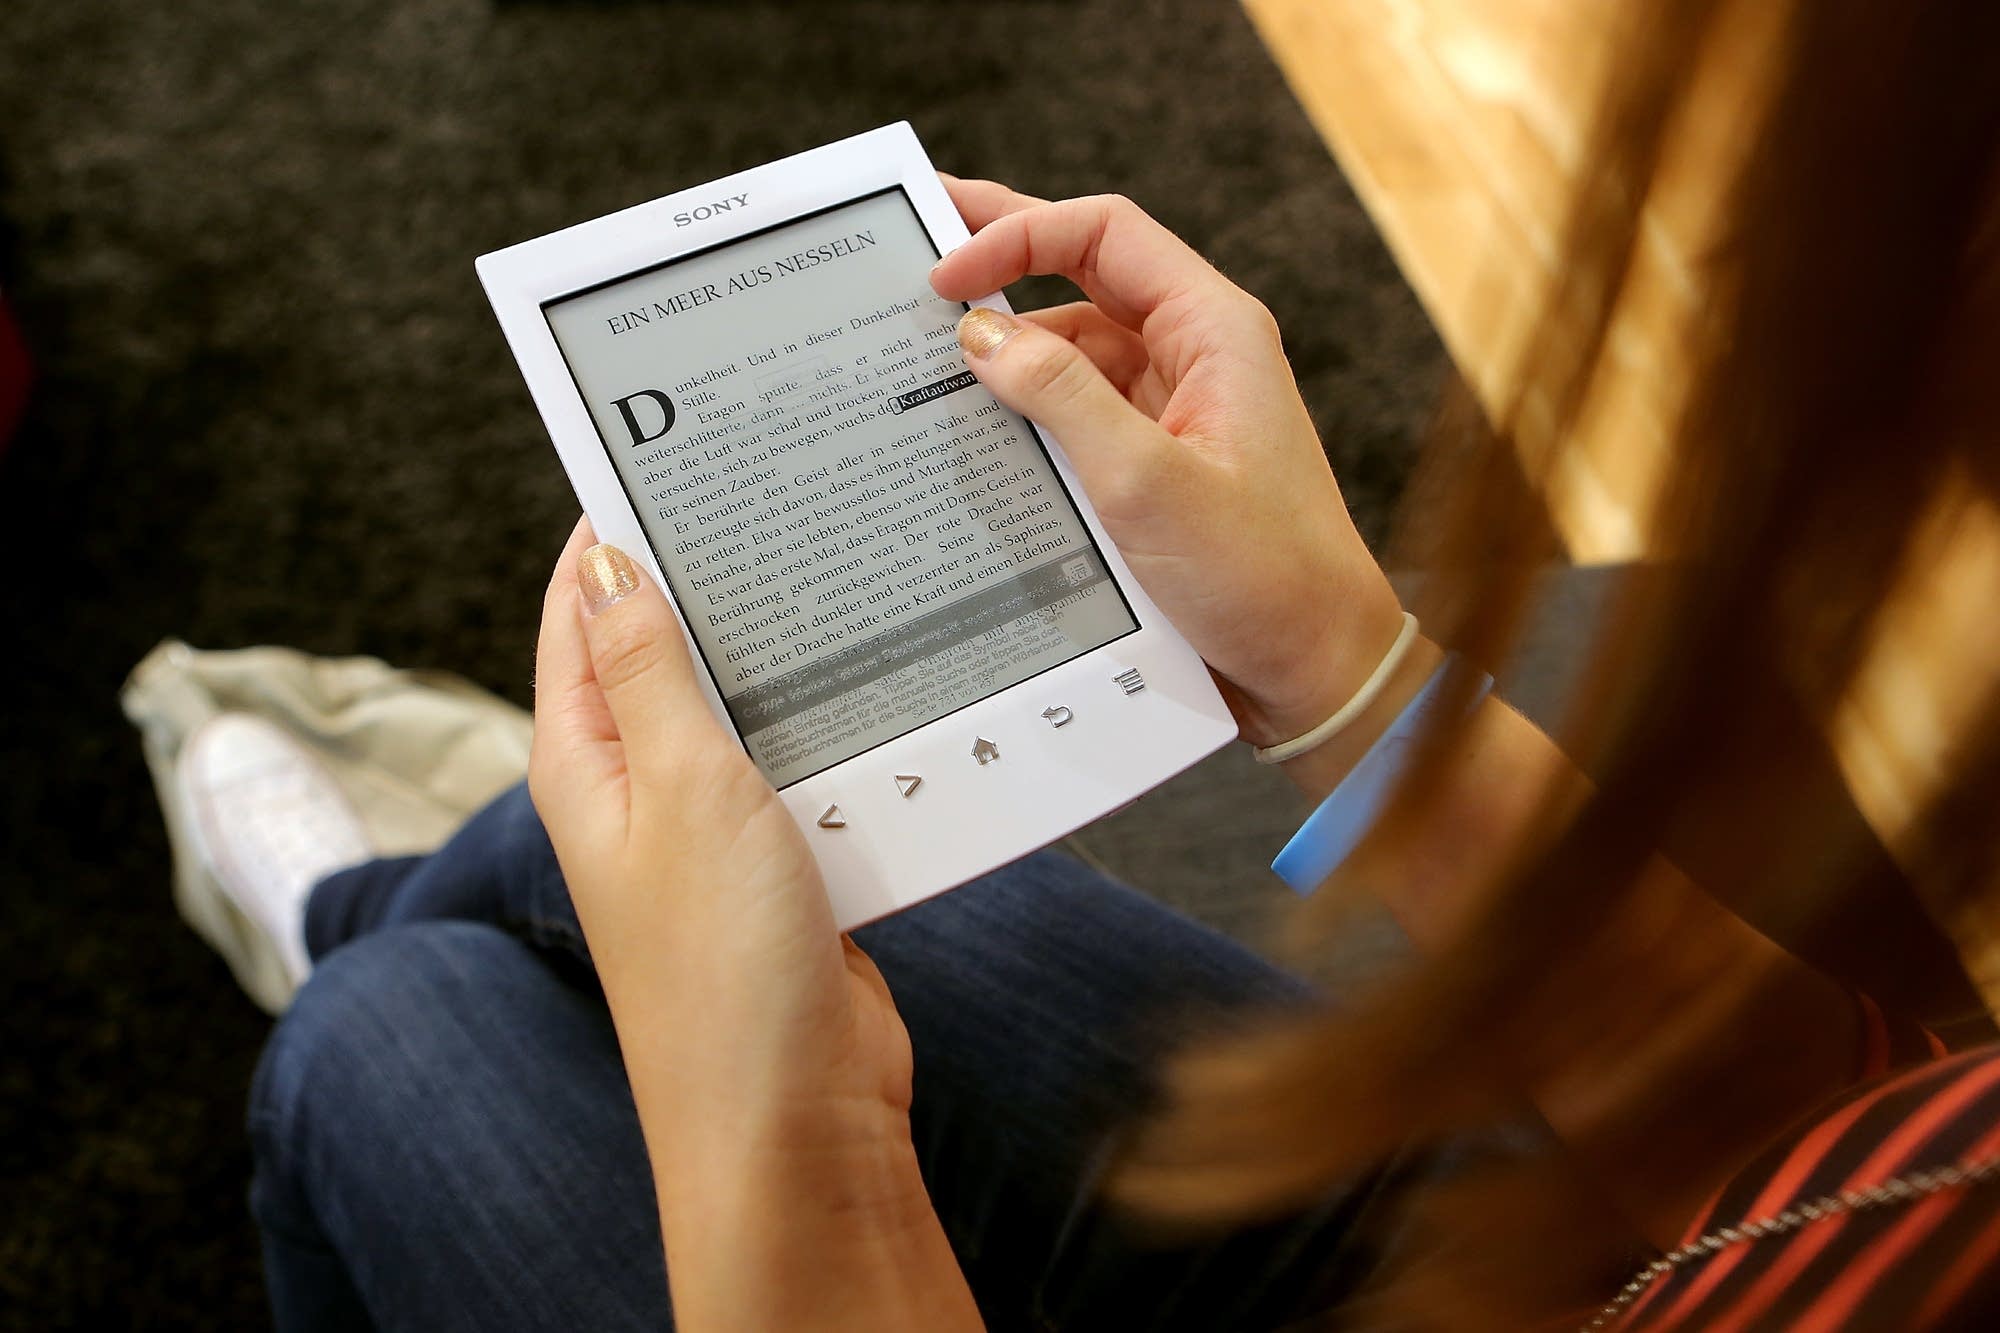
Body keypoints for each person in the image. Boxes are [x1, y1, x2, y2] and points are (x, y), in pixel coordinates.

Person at [172, 0, 2000, 1325]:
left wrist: (792, 1134)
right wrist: (1339, 665)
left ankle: (365, 936)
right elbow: (1867, 1127)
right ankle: (377, 894)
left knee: (375, 1049)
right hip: (1584, 1254)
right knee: (546, 871)